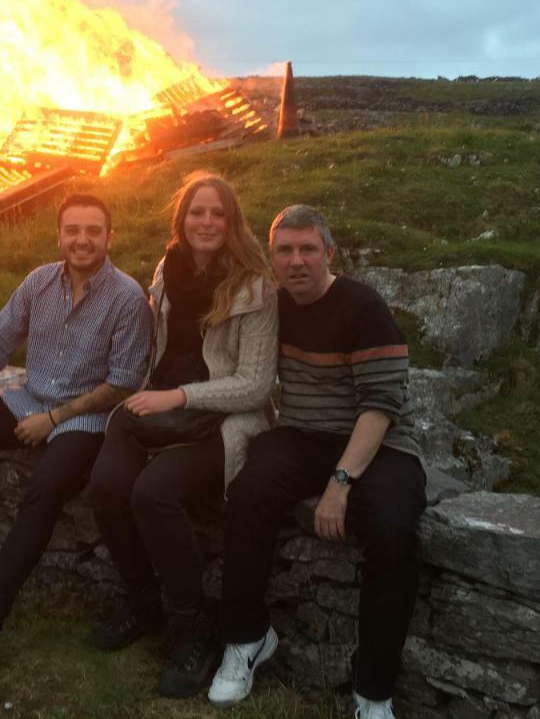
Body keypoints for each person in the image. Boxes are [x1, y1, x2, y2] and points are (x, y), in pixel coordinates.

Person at [0, 193, 152, 689]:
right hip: (28, 400)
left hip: (86, 423)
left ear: (110, 236)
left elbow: (125, 382)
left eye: (93, 230)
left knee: (44, 489)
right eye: (73, 230)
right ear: (59, 235)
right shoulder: (38, 283)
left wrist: (55, 418)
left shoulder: (128, 298)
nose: (82, 239)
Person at [208, 205, 426, 719]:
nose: (297, 261)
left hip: (379, 444)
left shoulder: (362, 306)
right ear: (273, 258)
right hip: (302, 436)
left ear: (329, 253)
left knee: (395, 531)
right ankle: (246, 639)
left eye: (308, 249)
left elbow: (380, 407)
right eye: (285, 250)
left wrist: (341, 483)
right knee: (247, 494)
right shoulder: (271, 306)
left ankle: (373, 693)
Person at [87, 173, 278, 698]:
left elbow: (256, 384)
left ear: (233, 221)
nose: (207, 222)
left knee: (153, 493)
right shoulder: (167, 271)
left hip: (218, 418)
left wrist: (180, 397)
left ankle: (193, 629)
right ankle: (141, 603)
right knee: (105, 486)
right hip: (154, 404)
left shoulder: (256, 287)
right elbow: (151, 347)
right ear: (182, 219)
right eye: (198, 212)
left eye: (218, 213)